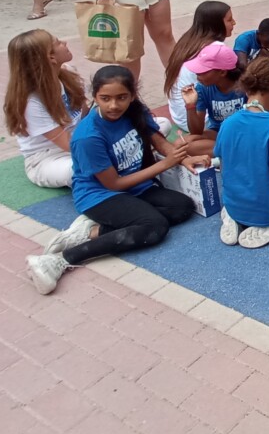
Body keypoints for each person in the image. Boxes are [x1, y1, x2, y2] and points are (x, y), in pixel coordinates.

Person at [25, 66, 202, 295]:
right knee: (154, 227)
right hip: (100, 195)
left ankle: (90, 230)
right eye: (105, 98)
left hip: (135, 185)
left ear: (132, 95)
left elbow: (156, 139)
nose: (113, 105)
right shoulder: (88, 136)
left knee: (182, 206)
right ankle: (59, 260)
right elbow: (113, 184)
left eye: (121, 98)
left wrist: (181, 159)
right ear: (95, 96)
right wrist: (164, 165)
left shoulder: (134, 111)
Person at [215, 58, 269, 249]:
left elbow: (225, 168)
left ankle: (233, 218)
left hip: (234, 203)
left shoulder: (228, 123)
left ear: (247, 89)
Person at [4, 30, 87, 188]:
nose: (65, 43)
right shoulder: (31, 101)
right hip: (47, 158)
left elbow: (85, 115)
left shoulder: (67, 72)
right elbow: (67, 144)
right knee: (85, 169)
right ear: (50, 57)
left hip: (79, 141)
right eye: (58, 43)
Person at [164, 1, 236, 133]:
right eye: (229, 20)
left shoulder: (188, 40)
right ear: (216, 24)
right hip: (198, 119)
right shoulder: (215, 49)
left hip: (179, 115)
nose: (234, 23)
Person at [180, 44, 247, 155]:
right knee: (182, 144)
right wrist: (190, 105)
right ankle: (237, 151)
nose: (197, 76)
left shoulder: (245, 84)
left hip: (244, 132)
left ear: (222, 72)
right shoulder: (202, 88)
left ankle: (232, 151)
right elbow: (196, 131)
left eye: (202, 72)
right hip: (218, 133)